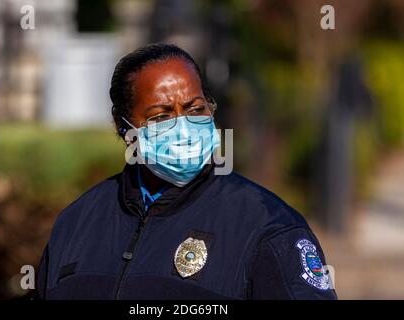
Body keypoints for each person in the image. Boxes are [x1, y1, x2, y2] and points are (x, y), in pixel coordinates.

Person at [35, 43, 337, 300]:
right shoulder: (76, 222)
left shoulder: (268, 226)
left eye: (195, 110)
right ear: (123, 126)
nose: (182, 128)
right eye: (161, 116)